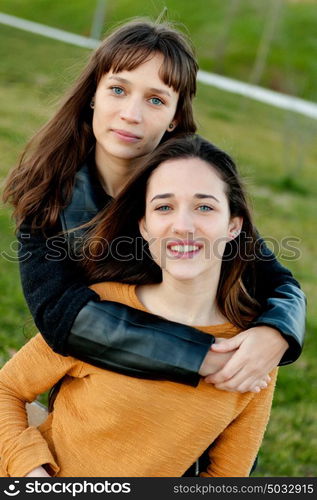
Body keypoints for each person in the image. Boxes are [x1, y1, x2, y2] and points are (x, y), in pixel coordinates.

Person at [2, 18, 305, 394]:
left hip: (201, 403)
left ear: (176, 116)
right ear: (94, 94)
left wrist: (277, 332)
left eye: (156, 99)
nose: (131, 113)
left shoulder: (195, 182)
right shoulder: (48, 196)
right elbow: (61, 314)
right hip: (97, 397)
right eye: (118, 89)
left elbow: (279, 283)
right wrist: (201, 357)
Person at [0, 135, 279, 477]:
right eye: (164, 207)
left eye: (204, 207)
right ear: (145, 227)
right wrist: (32, 472)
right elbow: (6, 389)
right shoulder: (100, 306)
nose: (183, 226)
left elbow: (226, 478)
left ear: (233, 225)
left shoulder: (253, 353)